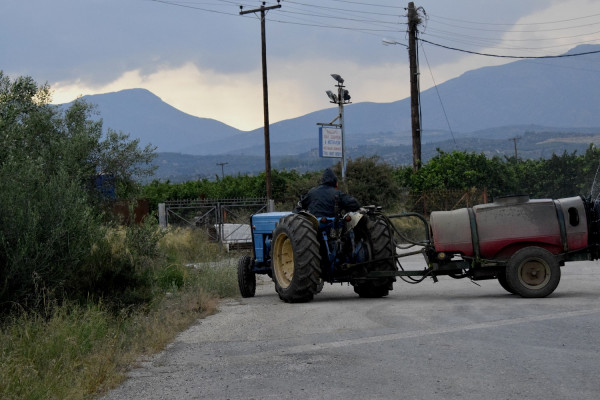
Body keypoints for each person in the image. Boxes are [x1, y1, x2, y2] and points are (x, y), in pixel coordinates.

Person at [294, 168, 361, 217]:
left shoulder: (312, 192)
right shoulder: (338, 193)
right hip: (334, 228)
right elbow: (355, 205)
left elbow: (300, 205)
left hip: (313, 228)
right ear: (335, 182)